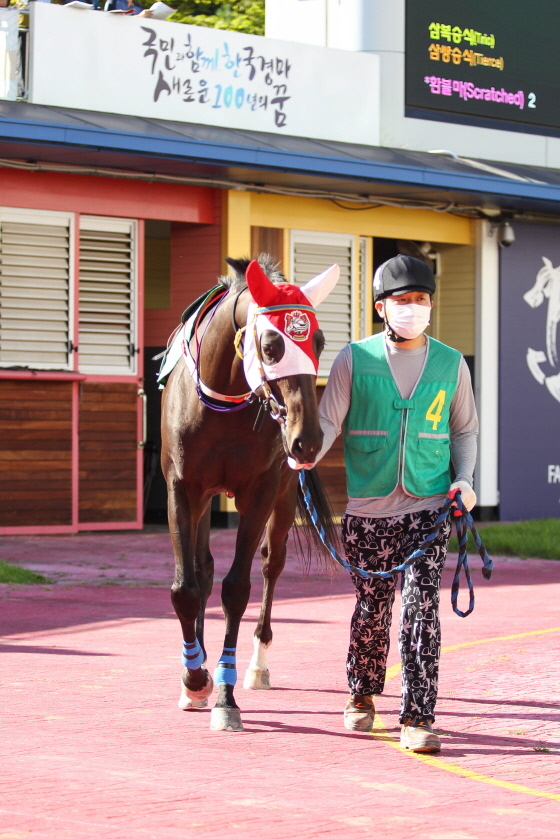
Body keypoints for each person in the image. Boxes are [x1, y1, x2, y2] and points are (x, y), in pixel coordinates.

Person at [310, 254, 478, 753]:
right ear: (383, 307)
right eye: (403, 300)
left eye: (421, 299)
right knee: (372, 607)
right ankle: (361, 694)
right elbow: (325, 423)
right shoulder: (353, 359)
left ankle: (418, 717)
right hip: (368, 511)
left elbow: (464, 427)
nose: (414, 307)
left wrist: (464, 480)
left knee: (421, 609)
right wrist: (301, 455)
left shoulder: (451, 363)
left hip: (428, 508)